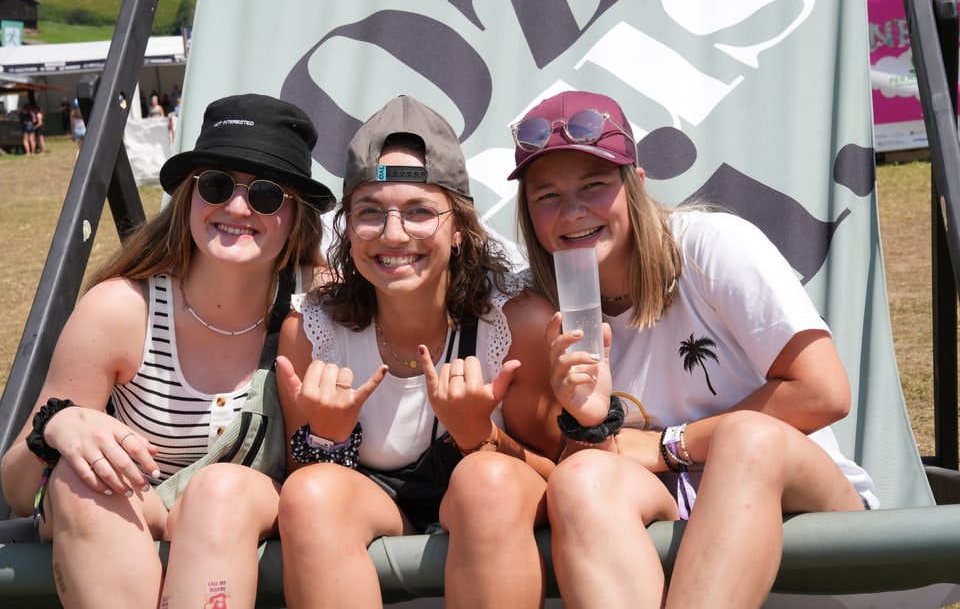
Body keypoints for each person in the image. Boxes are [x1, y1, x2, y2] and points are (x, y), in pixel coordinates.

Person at [508, 90, 879, 609]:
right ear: (528, 211)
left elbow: (824, 392)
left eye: (594, 186)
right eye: (546, 196)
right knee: (580, 480)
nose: (572, 212)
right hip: (666, 504)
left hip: (805, 498)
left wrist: (668, 445)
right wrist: (590, 424)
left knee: (747, 439)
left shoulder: (711, 246)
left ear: (635, 184)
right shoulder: (534, 308)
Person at [0, 92, 335, 608]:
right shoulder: (122, 309)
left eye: (267, 194)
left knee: (220, 493)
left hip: (245, 515)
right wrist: (55, 427)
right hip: (131, 518)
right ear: (189, 195)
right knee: (79, 480)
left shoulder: (318, 304)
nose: (237, 207)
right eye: (217, 185)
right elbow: (20, 489)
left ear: (296, 216)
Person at [275, 95, 561, 608]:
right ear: (348, 229)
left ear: (459, 229)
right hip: (378, 504)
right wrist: (330, 440)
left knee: (486, 480)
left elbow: (562, 473)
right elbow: (303, 474)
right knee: (309, 492)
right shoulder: (313, 330)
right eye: (369, 213)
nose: (393, 234)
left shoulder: (515, 321)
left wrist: (481, 436)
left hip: (499, 503)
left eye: (419, 211)